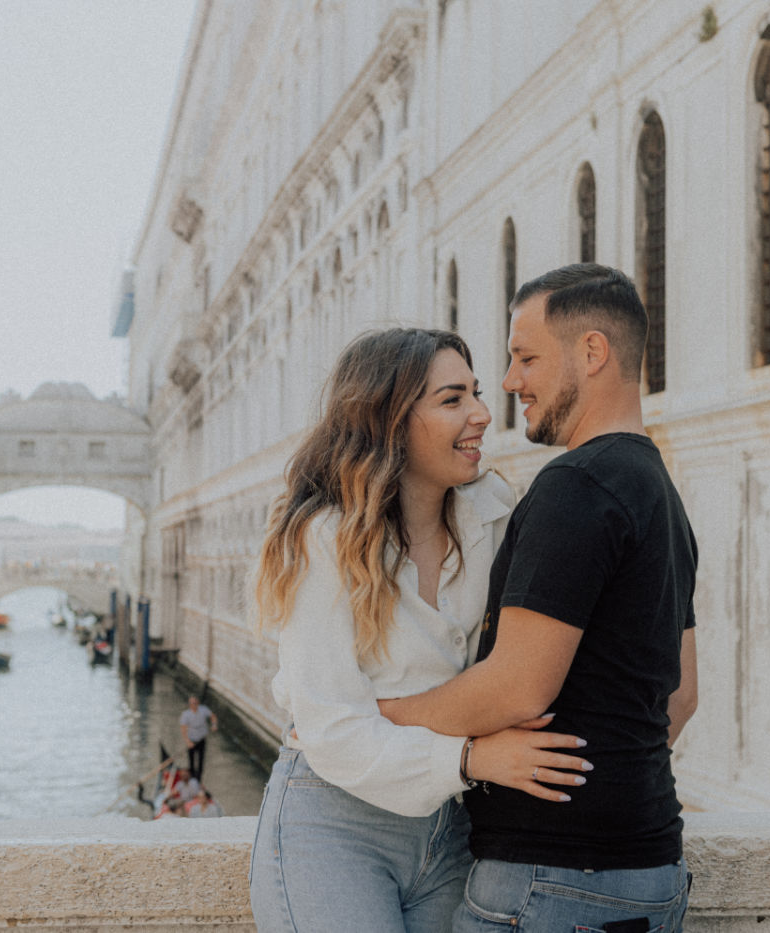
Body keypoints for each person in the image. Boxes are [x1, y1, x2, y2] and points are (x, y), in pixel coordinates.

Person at [380, 264, 700, 931]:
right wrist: (606, 779)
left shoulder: (575, 485)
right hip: (649, 866)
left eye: (526, 358)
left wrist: (380, 715)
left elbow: (518, 687)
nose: (508, 382)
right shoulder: (660, 495)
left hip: (551, 882)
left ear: (592, 352)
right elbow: (681, 693)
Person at [249, 328, 591, 933]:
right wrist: (472, 757)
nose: (484, 415)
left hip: (454, 827)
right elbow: (330, 730)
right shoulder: (322, 539)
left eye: (477, 394)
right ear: (390, 420)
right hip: (335, 823)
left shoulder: (495, 510)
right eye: (453, 399)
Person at [179, 695, 218, 781]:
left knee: (201, 762)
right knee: (191, 762)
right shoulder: (186, 714)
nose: (194, 705)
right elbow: (183, 729)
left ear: (198, 703)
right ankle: (192, 777)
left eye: (195, 703)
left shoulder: (203, 709)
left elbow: (213, 717)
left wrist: (214, 725)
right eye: (192, 703)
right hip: (191, 740)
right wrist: (187, 741)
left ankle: (199, 780)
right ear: (189, 704)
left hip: (201, 739)